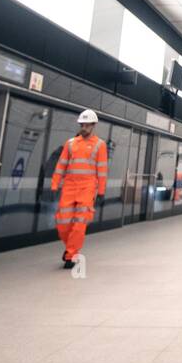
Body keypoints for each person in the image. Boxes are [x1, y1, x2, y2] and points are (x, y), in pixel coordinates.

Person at [50, 109, 107, 269]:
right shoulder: (70, 144)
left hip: (87, 189)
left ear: (93, 125)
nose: (84, 128)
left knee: (79, 224)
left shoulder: (99, 145)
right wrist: (54, 185)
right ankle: (70, 247)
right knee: (63, 223)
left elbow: (102, 170)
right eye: (82, 125)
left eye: (87, 125)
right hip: (69, 187)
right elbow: (61, 166)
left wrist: (101, 191)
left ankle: (71, 255)